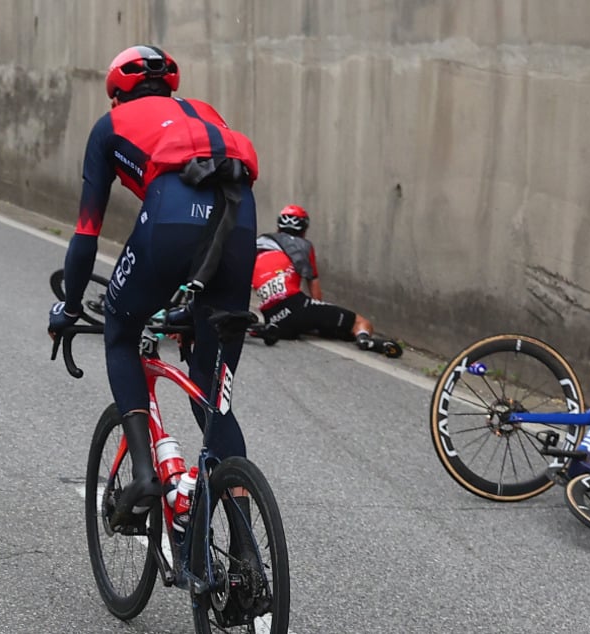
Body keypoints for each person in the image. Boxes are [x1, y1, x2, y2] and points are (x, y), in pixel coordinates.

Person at [47, 45, 259, 530]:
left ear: (117, 97)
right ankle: (246, 546)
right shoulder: (206, 114)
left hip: (171, 217)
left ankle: (144, 476)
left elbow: (85, 232)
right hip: (240, 221)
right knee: (211, 390)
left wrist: (70, 306)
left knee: (122, 330)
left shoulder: (110, 127)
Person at [251, 205, 403, 358]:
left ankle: (260, 328)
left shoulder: (258, 245)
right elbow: (314, 289)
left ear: (279, 226)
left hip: (272, 314)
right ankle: (364, 340)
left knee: (303, 323)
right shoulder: (304, 246)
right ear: (304, 229)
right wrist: (317, 310)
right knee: (360, 322)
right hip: (296, 305)